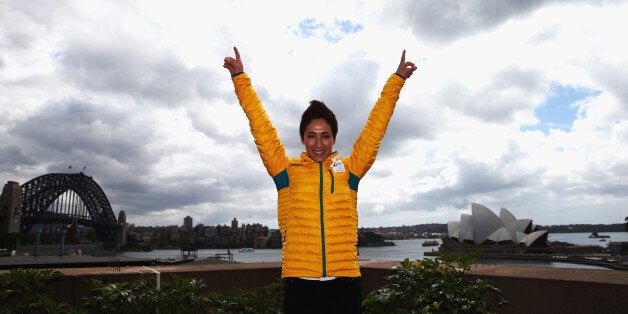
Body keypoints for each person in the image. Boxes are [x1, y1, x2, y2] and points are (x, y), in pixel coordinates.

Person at [223, 46, 417, 313]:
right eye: (311, 135)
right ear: (302, 138)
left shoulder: (350, 169)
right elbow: (261, 127)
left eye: (325, 135)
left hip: (345, 283)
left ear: (334, 138)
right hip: (299, 285)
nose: (318, 143)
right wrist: (240, 78)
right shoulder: (285, 170)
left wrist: (396, 81)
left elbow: (375, 128)